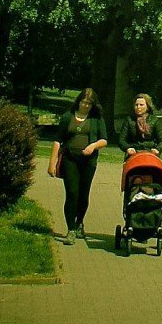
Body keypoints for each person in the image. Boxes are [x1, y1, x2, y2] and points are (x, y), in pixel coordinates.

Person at [48, 87, 107, 243]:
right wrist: (52, 163)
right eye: (83, 102)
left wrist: (93, 146)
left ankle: (79, 221)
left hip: (89, 162)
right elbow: (57, 140)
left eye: (89, 103)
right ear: (78, 101)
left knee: (83, 194)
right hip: (70, 159)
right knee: (72, 193)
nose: (85, 106)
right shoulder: (68, 116)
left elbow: (104, 140)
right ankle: (71, 230)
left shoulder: (96, 119)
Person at [116, 92, 162, 156]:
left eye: (141, 105)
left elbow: (161, 141)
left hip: (150, 153)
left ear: (147, 106)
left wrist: (157, 149)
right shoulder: (129, 120)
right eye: (136, 105)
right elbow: (121, 140)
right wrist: (127, 148)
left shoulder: (154, 120)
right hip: (133, 153)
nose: (138, 107)